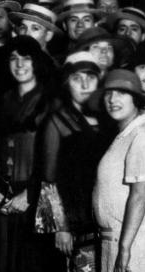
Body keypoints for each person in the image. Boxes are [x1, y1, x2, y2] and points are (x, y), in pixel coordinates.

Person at [0, 36, 55, 272]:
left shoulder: (50, 101)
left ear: (36, 62)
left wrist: (29, 194)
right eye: (13, 59)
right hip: (2, 198)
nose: (19, 64)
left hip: (36, 199)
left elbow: (53, 158)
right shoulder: (0, 100)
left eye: (26, 58)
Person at [38, 51, 110, 272]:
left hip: (109, 219)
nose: (85, 84)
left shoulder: (111, 117)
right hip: (76, 220)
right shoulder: (57, 121)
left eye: (91, 77)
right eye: (77, 78)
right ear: (66, 84)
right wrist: (60, 226)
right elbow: (48, 178)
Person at [94, 69, 145, 272]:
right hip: (118, 239)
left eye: (122, 93)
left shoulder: (142, 136)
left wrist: (125, 248)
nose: (113, 99)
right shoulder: (127, 134)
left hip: (133, 243)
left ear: (136, 99)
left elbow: (140, 194)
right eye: (108, 93)